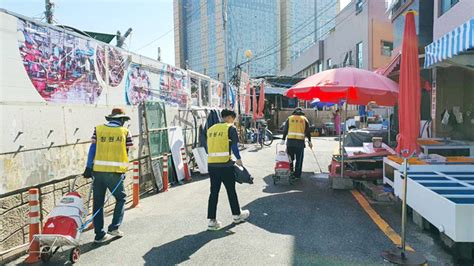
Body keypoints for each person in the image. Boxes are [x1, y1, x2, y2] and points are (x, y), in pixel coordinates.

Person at [83, 108, 133, 243]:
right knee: (121, 198)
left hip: (97, 172)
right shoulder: (125, 132)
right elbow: (126, 152)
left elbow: (92, 149)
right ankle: (114, 227)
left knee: (98, 203)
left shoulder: (98, 130)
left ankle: (99, 234)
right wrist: (123, 170)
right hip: (115, 173)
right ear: (122, 120)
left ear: (110, 118)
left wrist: (88, 167)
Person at [207, 109, 250, 230]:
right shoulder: (230, 128)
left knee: (213, 193)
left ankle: (212, 221)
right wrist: (239, 159)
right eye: (234, 118)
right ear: (230, 117)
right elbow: (234, 146)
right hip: (226, 165)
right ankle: (237, 215)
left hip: (212, 165)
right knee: (231, 190)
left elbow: (206, 146)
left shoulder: (211, 129)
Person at [281, 107, 313, 179]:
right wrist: (310, 141)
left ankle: (290, 172)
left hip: (290, 142)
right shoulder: (304, 119)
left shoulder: (289, 118)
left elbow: (285, 130)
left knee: (290, 158)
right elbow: (308, 132)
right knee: (299, 159)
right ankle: (297, 175)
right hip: (300, 143)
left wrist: (283, 139)